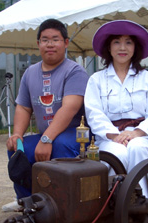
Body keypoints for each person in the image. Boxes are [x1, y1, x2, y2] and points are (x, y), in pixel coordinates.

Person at [6, 18, 89, 200]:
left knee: (60, 144)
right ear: (38, 44)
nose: (50, 44)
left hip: (75, 136)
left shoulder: (75, 71)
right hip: (48, 136)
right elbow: (23, 107)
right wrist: (17, 134)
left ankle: (64, 204)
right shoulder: (30, 73)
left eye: (55, 39)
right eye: (45, 40)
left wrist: (46, 138)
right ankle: (29, 202)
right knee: (17, 148)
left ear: (66, 43)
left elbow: (69, 108)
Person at [84, 20, 148, 178]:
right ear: (109, 47)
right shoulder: (96, 79)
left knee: (138, 148)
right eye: (117, 42)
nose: (122, 48)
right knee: (116, 154)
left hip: (142, 136)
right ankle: (113, 200)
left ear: (135, 47)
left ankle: (141, 198)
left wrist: (137, 132)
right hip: (109, 137)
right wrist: (114, 135)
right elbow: (94, 113)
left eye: (128, 42)